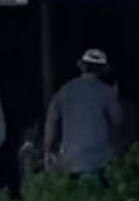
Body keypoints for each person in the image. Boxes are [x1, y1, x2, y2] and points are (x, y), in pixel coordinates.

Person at [43, 49, 123, 179]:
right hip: (98, 162)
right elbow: (118, 122)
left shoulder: (64, 91)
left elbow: (50, 123)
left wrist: (48, 152)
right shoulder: (107, 93)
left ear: (82, 66)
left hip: (69, 161)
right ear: (103, 70)